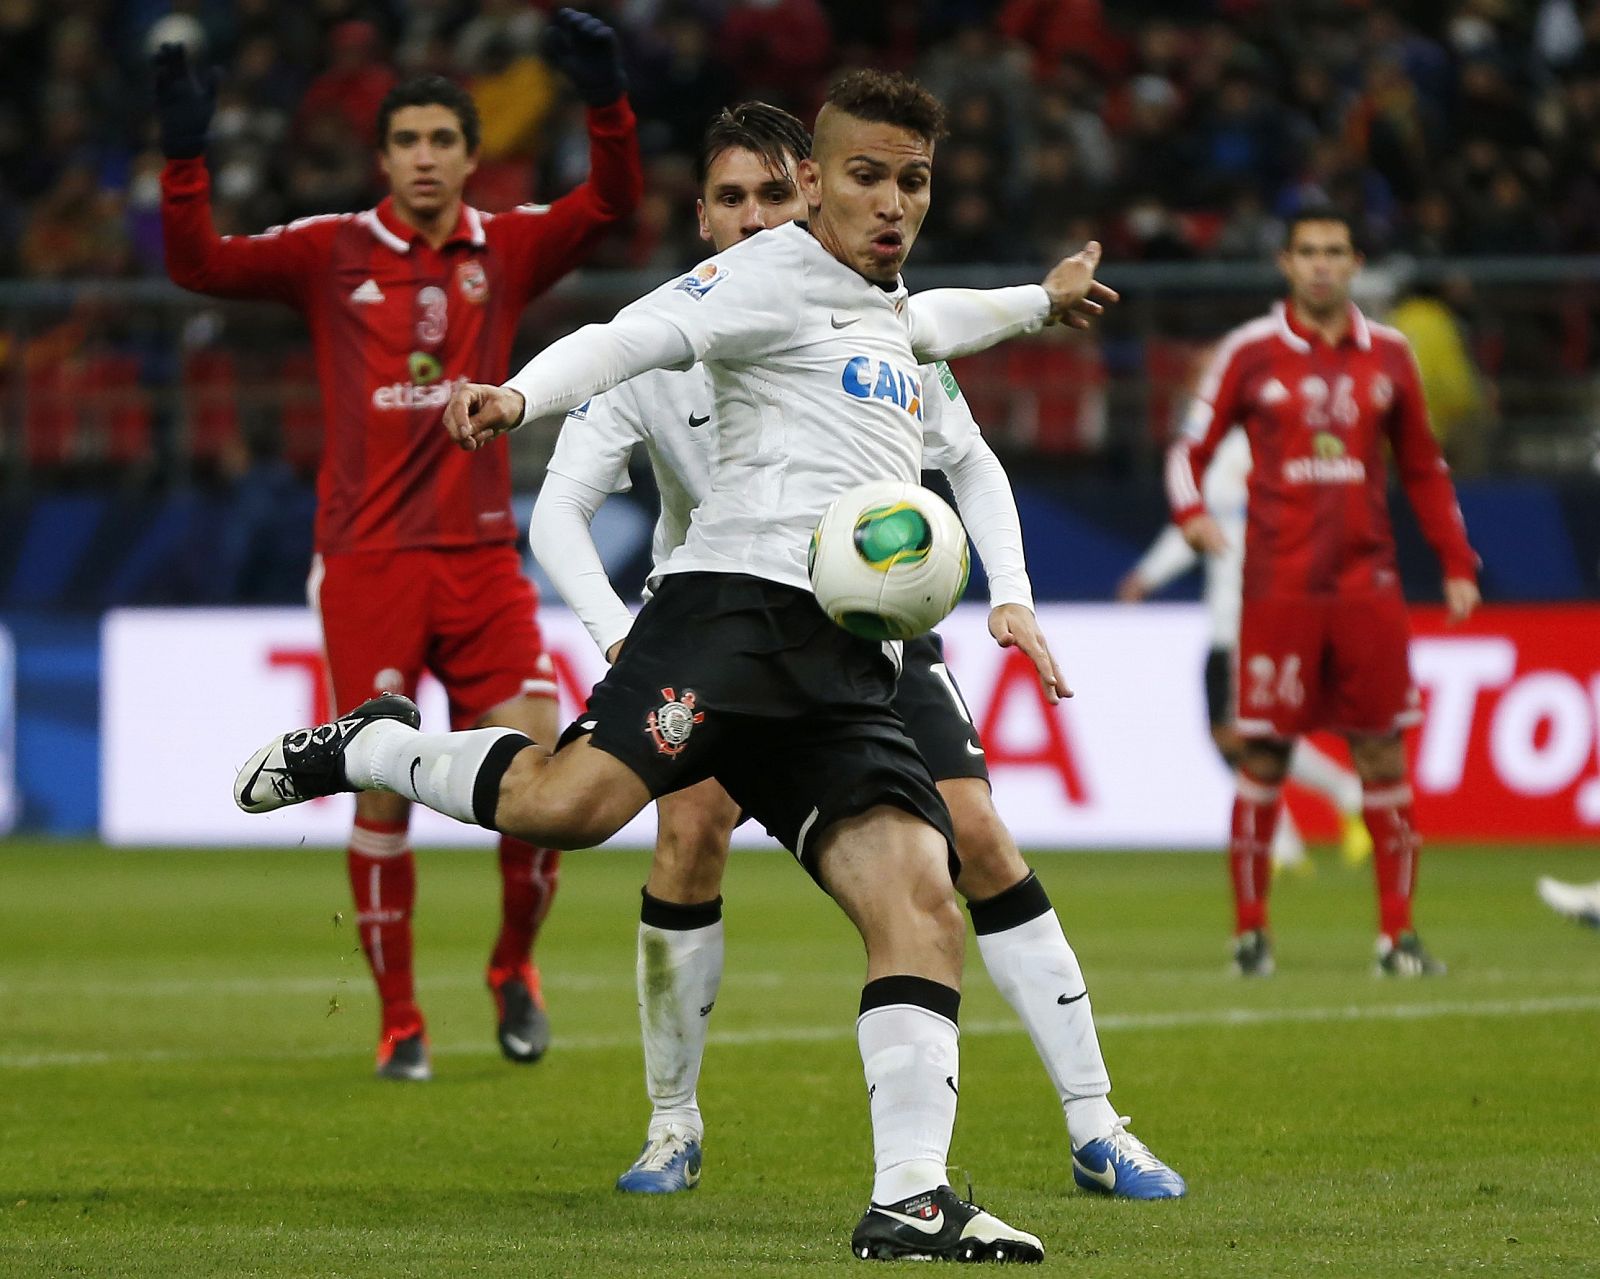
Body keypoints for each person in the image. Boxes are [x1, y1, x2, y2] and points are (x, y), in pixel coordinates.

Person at [236, 70, 1118, 1262]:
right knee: (568, 807)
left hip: (843, 659)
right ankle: (372, 742)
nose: (891, 201)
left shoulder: (879, 301)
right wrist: (518, 392)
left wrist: (1036, 302)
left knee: (920, 899)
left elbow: (933, 320)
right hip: (731, 614)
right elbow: (629, 335)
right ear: (813, 181)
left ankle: (910, 1197)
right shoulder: (760, 274)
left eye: (910, 179)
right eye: (864, 176)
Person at [529, 102, 1184, 1201]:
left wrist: (1010, 595)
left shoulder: (865, 319)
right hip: (719, 625)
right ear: (702, 217)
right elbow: (559, 511)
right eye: (730, 200)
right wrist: (616, 632)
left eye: (773, 197)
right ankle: (670, 1124)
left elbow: (967, 454)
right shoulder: (663, 345)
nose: (753, 218)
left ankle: (1096, 1123)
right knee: (686, 831)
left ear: (810, 202)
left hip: (867, 628)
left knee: (974, 833)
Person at [156, 12, 643, 1081]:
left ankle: (513, 966)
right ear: (383, 157)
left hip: (478, 563)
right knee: (381, 786)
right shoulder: (330, 249)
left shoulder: (503, 247)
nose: (425, 158)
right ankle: (400, 1021)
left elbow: (612, 204)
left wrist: (607, 103)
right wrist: (183, 156)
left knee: (546, 774)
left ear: (471, 156)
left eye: (442, 141)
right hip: (368, 564)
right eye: (407, 141)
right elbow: (195, 265)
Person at [1166, 208, 1480, 979]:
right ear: (1286, 263)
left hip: (1367, 589)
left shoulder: (1393, 358)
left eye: (1334, 253)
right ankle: (1249, 937)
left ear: (1354, 262)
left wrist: (1458, 559)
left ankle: (1397, 939)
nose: (1320, 266)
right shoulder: (1251, 352)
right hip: (1277, 591)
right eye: (1307, 252)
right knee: (1263, 753)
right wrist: (1193, 513)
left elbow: (1425, 470)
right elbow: (1190, 448)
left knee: (1381, 751)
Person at [1118, 427, 1373, 873]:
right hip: (1246, 620)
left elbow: (1197, 527)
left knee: (1235, 734)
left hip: (1247, 621)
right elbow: (1201, 528)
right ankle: (1303, 825)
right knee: (1249, 733)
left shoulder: (1238, 452)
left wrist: (1147, 575)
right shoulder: (1268, 451)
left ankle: (1309, 819)